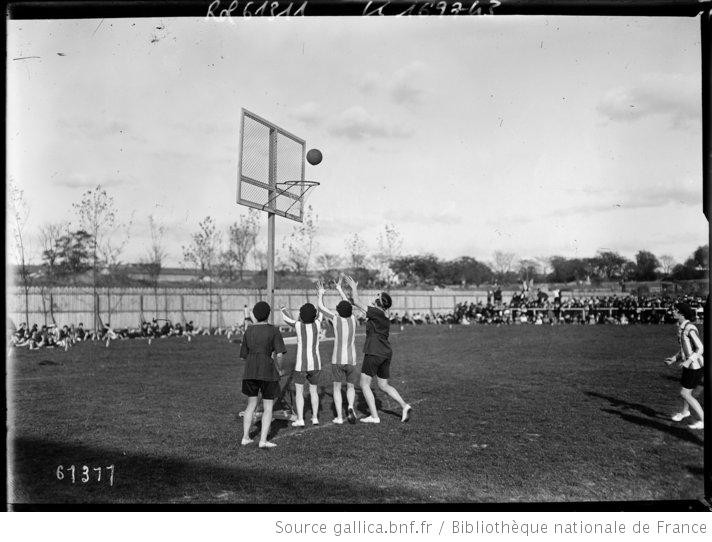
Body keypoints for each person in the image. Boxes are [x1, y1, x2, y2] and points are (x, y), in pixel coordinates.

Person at [342, 274, 411, 424]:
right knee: (383, 385)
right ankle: (405, 406)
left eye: (377, 295)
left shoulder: (376, 312)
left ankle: (374, 416)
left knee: (364, 384)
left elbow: (358, 302)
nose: (375, 295)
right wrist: (349, 294)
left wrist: (354, 287)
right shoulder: (383, 315)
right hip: (386, 352)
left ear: (379, 302)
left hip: (374, 351)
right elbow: (355, 302)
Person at [239, 301, 287, 448]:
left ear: (254, 314)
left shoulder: (248, 331)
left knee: (251, 405)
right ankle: (263, 441)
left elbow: (243, 355)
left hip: (250, 371)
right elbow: (279, 354)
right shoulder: (273, 330)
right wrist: (280, 368)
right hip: (267, 371)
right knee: (268, 407)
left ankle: (246, 437)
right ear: (269, 314)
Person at [316, 278, 358, 425]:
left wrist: (321, 292)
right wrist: (340, 289)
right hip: (352, 359)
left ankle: (340, 417)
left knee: (337, 387)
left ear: (338, 311)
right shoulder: (353, 319)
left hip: (337, 359)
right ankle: (351, 406)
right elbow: (347, 303)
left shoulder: (336, 319)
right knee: (351, 386)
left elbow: (320, 307)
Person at [280, 300, 323, 427]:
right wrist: (320, 294)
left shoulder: (298, 325)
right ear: (314, 316)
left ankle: (300, 419)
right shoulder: (318, 324)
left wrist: (282, 308)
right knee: (314, 391)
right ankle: (315, 418)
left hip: (301, 365)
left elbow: (287, 319)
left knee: (299, 392)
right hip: (315, 364)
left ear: (301, 315)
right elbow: (321, 310)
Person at [665, 302, 704, 430]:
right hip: (689, 366)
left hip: (695, 366)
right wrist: (674, 359)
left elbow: (700, 348)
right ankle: (685, 412)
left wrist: (688, 361)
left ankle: (703, 420)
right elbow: (685, 349)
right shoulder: (681, 327)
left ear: (681, 313)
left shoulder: (689, 328)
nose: (673, 312)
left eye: (675, 310)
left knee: (685, 393)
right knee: (686, 389)